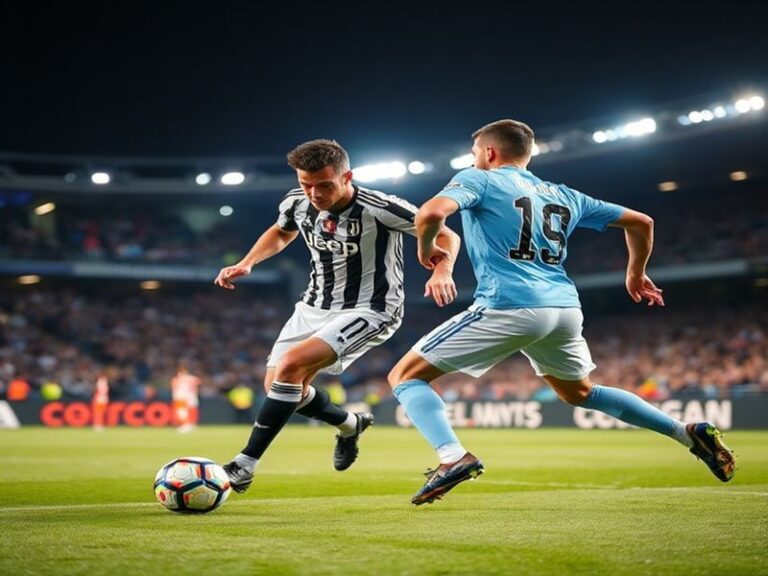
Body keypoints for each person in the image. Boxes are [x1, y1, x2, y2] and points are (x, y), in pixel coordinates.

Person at [388, 119, 736, 505]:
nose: (474, 159)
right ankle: (686, 434)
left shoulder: (479, 179)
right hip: (564, 308)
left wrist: (427, 254)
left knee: (404, 376)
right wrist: (635, 274)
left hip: (508, 303)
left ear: (489, 152)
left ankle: (452, 457)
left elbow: (430, 214)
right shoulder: (564, 194)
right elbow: (641, 222)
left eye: (475, 153)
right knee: (581, 393)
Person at [214, 139, 460, 493]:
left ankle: (244, 464)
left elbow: (446, 234)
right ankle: (348, 424)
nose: (314, 194)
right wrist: (247, 261)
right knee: (279, 388)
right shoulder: (296, 202)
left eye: (325, 185)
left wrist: (442, 270)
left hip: (371, 307)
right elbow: (283, 231)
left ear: (348, 177)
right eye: (306, 184)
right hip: (313, 305)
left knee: (291, 367)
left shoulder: (381, 207)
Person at [171, 364, 201, 433]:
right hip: (190, 396)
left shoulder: (177, 379)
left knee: (182, 411)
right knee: (190, 411)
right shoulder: (191, 378)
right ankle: (190, 424)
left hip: (180, 396)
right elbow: (198, 381)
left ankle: (186, 425)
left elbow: (174, 386)